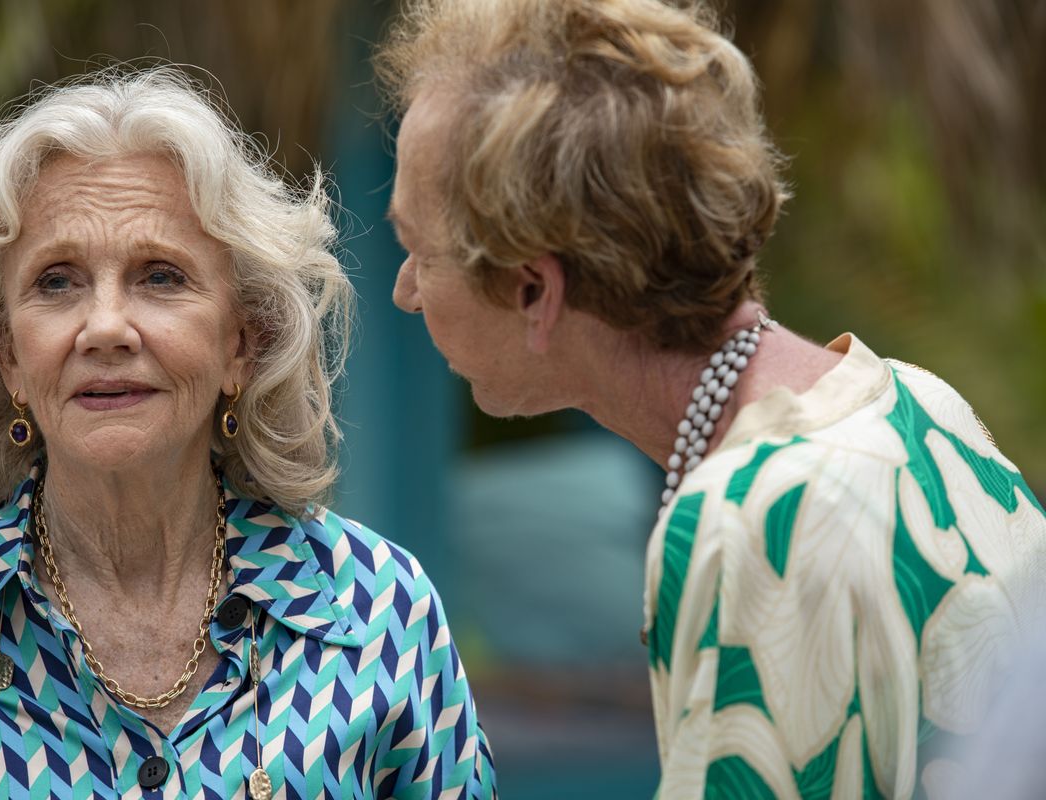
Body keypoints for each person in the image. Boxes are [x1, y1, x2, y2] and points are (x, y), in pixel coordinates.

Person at [374, 0, 1046, 796]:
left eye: (420, 249)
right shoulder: (914, 403)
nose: (404, 290)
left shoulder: (748, 523)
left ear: (534, 290)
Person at [0, 68, 496, 800]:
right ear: (9, 358)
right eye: (57, 281)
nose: (106, 328)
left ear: (241, 345)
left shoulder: (379, 613)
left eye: (160, 277)